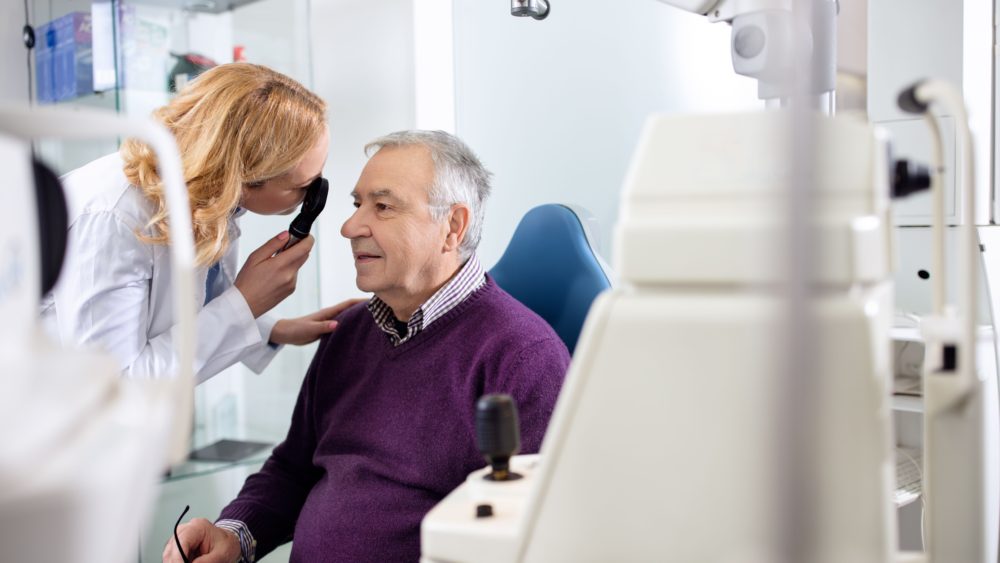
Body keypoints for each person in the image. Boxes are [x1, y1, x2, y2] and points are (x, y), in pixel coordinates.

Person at [163, 130, 570, 562]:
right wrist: (235, 534)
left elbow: (532, 539)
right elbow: (291, 470)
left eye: (383, 206)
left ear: (452, 227)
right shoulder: (351, 332)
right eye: (357, 205)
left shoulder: (522, 357)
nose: (350, 227)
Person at [41, 63, 357, 383]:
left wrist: (274, 328)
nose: (310, 198)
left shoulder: (207, 196)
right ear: (244, 178)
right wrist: (245, 304)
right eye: (302, 186)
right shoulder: (115, 218)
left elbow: (197, 299)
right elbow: (112, 387)